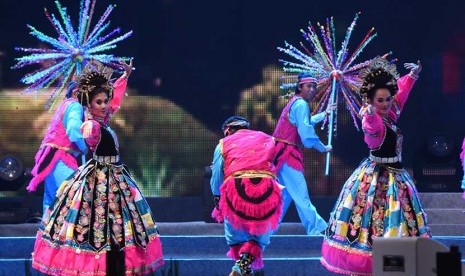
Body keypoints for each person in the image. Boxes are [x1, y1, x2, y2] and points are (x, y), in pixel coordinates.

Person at [31, 59, 164, 275]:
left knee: (64, 209)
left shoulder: (96, 119)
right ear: (86, 100)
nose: (104, 106)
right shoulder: (84, 118)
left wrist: (123, 78)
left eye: (104, 101)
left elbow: (112, 104)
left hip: (95, 172)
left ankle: (96, 263)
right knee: (80, 216)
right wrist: (88, 149)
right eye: (98, 101)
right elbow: (77, 131)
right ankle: (78, 260)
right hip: (79, 168)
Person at [321, 57, 431, 276]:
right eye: (380, 100)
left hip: (397, 178)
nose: (386, 103)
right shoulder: (375, 121)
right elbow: (372, 134)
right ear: (370, 101)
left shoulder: (389, 115)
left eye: (387, 99)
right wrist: (370, 116)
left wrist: (412, 76)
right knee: (374, 221)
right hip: (377, 181)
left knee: (399, 221)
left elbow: (400, 97)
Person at [210, 116, 283, 276]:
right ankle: (244, 265)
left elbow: (216, 177)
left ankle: (241, 265)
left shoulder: (223, 144)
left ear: (228, 130)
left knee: (235, 235)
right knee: (258, 237)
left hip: (236, 189)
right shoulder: (268, 139)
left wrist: (217, 200)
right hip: (267, 190)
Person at [272, 73, 332, 235]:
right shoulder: (301, 105)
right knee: (300, 193)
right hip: (287, 154)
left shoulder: (296, 103)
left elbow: (304, 122)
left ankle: (266, 230)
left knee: (285, 196)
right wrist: (322, 147)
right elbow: (306, 134)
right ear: (300, 87)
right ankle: (317, 228)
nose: (312, 90)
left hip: (282, 153)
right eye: (309, 87)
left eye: (314, 87)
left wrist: (323, 114)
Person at [27, 80, 88, 214]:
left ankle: (47, 234)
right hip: (60, 157)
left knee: (52, 202)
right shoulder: (75, 106)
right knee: (72, 196)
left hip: (50, 157)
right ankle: (67, 234)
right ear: (76, 91)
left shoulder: (64, 105)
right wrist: (85, 147)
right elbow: (73, 131)